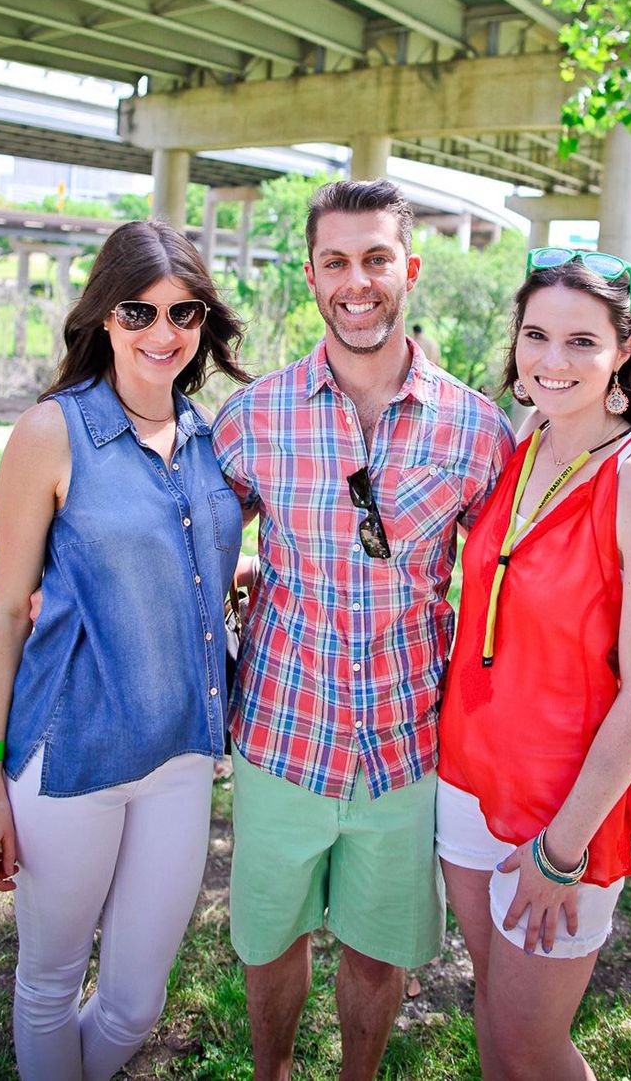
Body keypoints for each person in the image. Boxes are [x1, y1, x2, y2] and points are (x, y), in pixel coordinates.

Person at [212, 179, 515, 1081]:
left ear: (409, 269)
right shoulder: (253, 418)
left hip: (404, 747)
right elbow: (181, 540)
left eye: (376, 258)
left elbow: (514, 586)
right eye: (336, 261)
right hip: (280, 736)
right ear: (311, 275)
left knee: (377, 952)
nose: (358, 281)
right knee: (269, 943)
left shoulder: (476, 430)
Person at [0, 221, 249, 1081]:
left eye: (185, 313)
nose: (164, 333)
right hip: (71, 757)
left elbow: (204, 563)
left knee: (135, 1002)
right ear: (103, 316)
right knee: (50, 985)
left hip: (181, 758)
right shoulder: (51, 433)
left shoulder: (215, 440)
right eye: (140, 311)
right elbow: (9, 610)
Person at [437, 247, 631, 1081]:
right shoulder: (524, 442)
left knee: (530, 1044)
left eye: (582, 342)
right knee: (491, 1003)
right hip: (465, 779)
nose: (553, 361)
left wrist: (563, 848)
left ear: (624, 350)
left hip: (563, 807)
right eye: (536, 335)